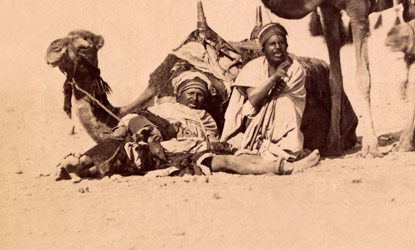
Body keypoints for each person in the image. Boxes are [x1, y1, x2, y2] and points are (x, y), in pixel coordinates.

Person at [57, 69, 319, 180]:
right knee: (118, 143)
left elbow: (217, 140)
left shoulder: (208, 120)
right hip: (160, 145)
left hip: (190, 150)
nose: (195, 98)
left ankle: (285, 167)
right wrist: (146, 130)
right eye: (190, 93)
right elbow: (130, 122)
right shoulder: (163, 108)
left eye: (200, 94)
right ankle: (76, 163)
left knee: (228, 160)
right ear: (179, 94)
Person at [221, 22, 310, 161]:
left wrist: (275, 93)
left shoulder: (296, 70)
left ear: (287, 46)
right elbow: (254, 99)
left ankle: (279, 147)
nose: (277, 47)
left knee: (285, 103)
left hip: (285, 120)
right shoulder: (253, 67)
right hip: (254, 119)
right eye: (272, 44)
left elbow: (295, 100)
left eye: (281, 43)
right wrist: (274, 79)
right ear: (263, 49)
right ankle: (259, 143)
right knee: (252, 108)